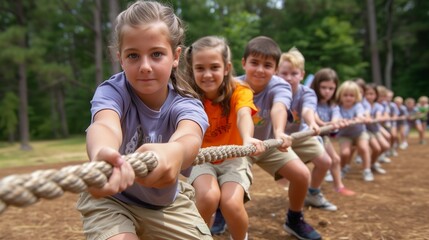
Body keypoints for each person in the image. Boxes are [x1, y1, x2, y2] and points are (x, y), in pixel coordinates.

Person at [76, 1, 212, 239]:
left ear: (176, 56)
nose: (145, 66)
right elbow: (105, 124)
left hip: (166, 205)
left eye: (157, 54)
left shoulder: (186, 102)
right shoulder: (112, 91)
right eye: (133, 56)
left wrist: (174, 153)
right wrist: (101, 153)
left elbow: (189, 136)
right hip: (111, 200)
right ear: (121, 58)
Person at [184, 36, 264, 240]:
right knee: (207, 197)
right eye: (200, 68)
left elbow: (244, 114)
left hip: (234, 157)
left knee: (230, 203)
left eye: (214, 67)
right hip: (202, 157)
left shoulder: (240, 90)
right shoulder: (188, 96)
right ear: (191, 69)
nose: (207, 74)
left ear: (227, 68)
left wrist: (247, 139)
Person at [277, 48, 338, 210]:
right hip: (275, 137)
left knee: (325, 161)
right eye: (284, 73)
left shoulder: (307, 92)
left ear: (302, 75)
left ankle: (313, 193)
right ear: (277, 73)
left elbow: (308, 110)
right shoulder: (272, 90)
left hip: (300, 135)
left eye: (294, 73)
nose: (289, 78)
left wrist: (312, 123)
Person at [311, 68, 355, 196]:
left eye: (331, 88)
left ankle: (338, 186)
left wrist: (336, 122)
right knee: (323, 162)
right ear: (316, 86)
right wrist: (325, 124)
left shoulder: (332, 104)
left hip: (323, 137)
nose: (327, 91)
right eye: (323, 87)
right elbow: (312, 115)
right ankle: (313, 190)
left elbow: (336, 116)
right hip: (310, 137)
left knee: (335, 160)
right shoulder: (311, 99)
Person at [336, 80, 374, 182]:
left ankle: (367, 170)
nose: (348, 98)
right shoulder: (337, 107)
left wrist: (357, 119)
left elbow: (360, 116)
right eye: (345, 95)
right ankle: (341, 169)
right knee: (345, 153)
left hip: (359, 133)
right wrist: (340, 121)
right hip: (345, 134)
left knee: (364, 148)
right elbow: (337, 118)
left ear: (356, 97)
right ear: (340, 95)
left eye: (351, 95)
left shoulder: (358, 106)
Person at [363, 83, 390, 174]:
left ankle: (373, 162)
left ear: (376, 95)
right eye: (367, 94)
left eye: (372, 94)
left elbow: (379, 115)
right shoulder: (363, 104)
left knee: (386, 146)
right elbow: (365, 114)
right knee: (377, 148)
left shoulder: (379, 106)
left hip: (375, 129)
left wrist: (378, 118)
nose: (369, 96)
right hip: (366, 130)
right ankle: (370, 164)